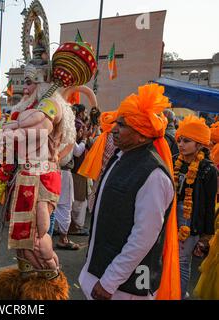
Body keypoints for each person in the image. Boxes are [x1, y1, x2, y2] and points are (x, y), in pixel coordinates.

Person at [0, 40, 98, 300]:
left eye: (29, 82)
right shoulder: (35, 106)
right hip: (28, 176)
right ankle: (25, 282)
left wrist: (6, 132)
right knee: (22, 241)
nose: (23, 88)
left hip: (40, 179)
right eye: (24, 82)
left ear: (44, 82)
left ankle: (51, 285)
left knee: (37, 238)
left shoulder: (50, 106)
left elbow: (35, 132)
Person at [79, 83, 181, 300]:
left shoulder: (153, 175)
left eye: (123, 125)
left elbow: (143, 238)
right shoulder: (121, 156)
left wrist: (109, 282)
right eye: (117, 122)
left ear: (143, 135)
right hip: (101, 275)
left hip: (124, 290)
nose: (114, 129)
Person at [173, 115, 217, 299]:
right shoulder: (175, 160)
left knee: (183, 261)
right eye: (180, 140)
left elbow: (208, 205)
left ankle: (179, 295)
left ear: (199, 144)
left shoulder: (208, 169)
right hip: (171, 216)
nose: (181, 144)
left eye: (186, 141)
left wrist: (206, 237)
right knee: (168, 259)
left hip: (190, 220)